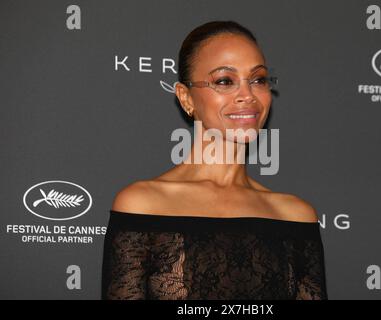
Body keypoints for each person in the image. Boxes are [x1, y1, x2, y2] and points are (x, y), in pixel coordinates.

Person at [101, 20, 328, 300]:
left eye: (258, 79)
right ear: (186, 98)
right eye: (225, 81)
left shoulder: (295, 215)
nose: (247, 95)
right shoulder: (142, 204)